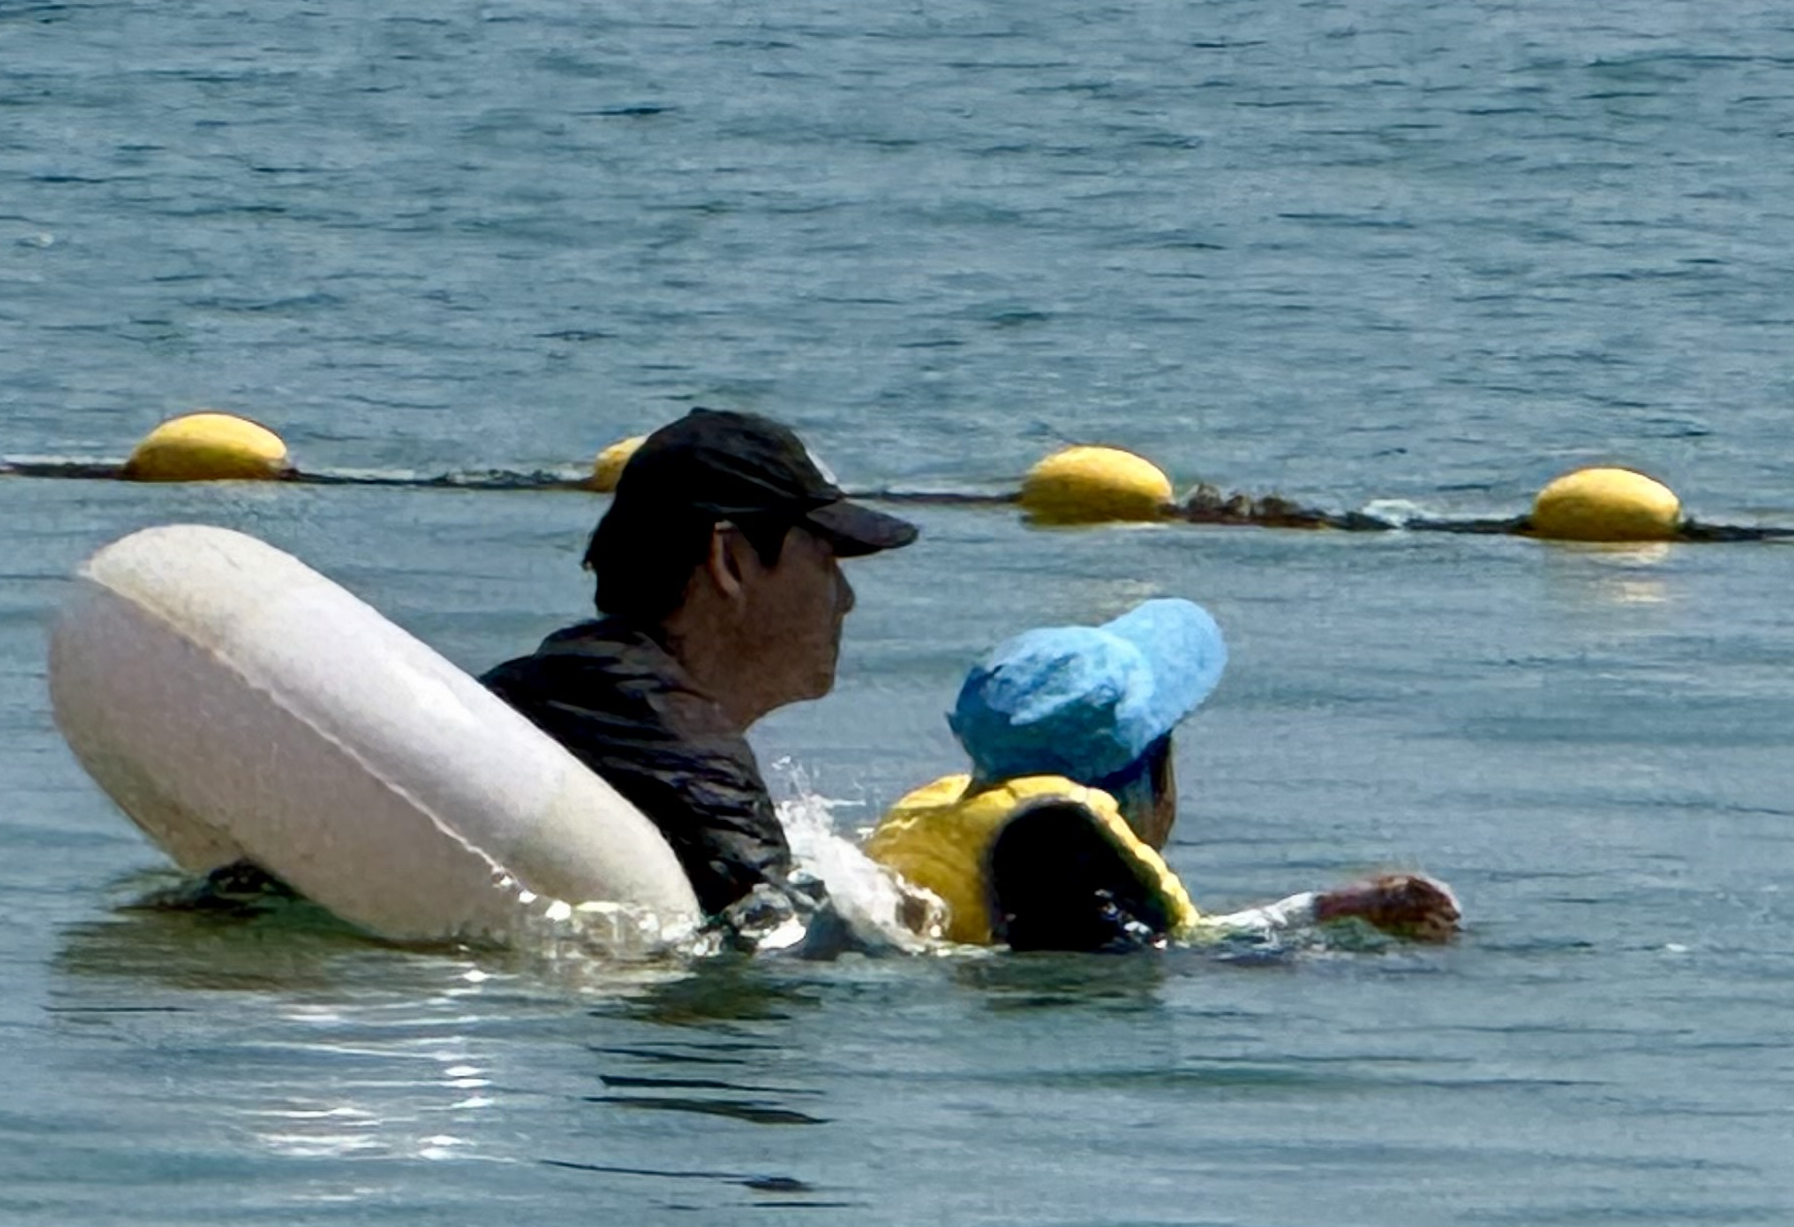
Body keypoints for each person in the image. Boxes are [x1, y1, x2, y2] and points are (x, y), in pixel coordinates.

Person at [481, 408, 917, 927]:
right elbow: (774, 945)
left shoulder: (539, 684)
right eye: (827, 561)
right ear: (729, 559)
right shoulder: (688, 758)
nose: (844, 598)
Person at [866, 599, 1462, 952]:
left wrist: (1331, 908)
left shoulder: (934, 808)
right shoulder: (1067, 838)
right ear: (1146, 771)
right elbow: (1172, 956)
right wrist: (1333, 917)